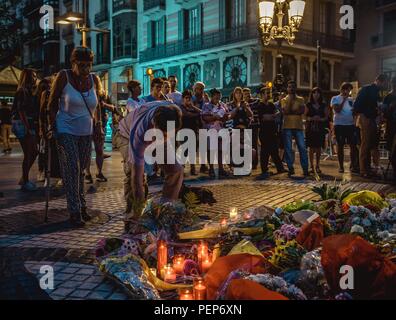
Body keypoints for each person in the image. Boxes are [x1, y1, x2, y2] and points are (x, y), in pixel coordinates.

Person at [48, 47, 102, 227]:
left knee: (82, 171)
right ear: (73, 64)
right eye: (81, 65)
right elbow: (52, 102)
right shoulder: (64, 76)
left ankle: (82, 206)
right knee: (72, 170)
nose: (85, 69)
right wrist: (52, 124)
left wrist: (98, 124)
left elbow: (98, 104)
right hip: (66, 129)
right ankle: (74, 211)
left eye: (89, 65)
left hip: (86, 131)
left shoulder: (94, 79)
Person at [125, 102, 183, 234]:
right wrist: (139, 212)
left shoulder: (174, 112)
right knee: (134, 178)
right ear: (155, 126)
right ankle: (133, 221)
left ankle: (165, 213)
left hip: (155, 133)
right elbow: (136, 180)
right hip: (125, 133)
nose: (167, 138)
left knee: (175, 170)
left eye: (170, 134)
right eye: (164, 134)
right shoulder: (139, 133)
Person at [117, 81, 146, 225]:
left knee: (141, 173)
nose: (141, 88)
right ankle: (130, 210)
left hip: (139, 134)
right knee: (131, 171)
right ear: (132, 89)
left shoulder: (142, 101)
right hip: (126, 135)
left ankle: (140, 207)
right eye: (138, 87)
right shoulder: (128, 102)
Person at [354, 74, 388, 178]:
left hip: (372, 119)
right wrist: (368, 113)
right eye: (384, 82)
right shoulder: (367, 89)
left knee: (371, 144)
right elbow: (357, 106)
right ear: (378, 80)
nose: (384, 85)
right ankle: (363, 170)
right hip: (366, 118)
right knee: (365, 144)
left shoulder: (376, 91)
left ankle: (368, 169)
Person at [11, 68, 39, 191]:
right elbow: (21, 111)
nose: (35, 78)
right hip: (23, 124)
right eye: (33, 75)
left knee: (33, 151)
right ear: (26, 77)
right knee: (29, 152)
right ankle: (25, 181)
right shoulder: (22, 91)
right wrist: (27, 128)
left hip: (27, 123)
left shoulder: (28, 90)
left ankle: (24, 178)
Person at [281, 80, 309, 177]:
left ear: (295, 88)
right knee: (288, 149)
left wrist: (292, 110)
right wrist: (291, 102)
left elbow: (301, 111)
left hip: (298, 127)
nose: (291, 88)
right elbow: (286, 111)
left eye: (293, 87)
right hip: (287, 126)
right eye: (289, 87)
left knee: (302, 148)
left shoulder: (301, 99)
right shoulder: (284, 99)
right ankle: (290, 168)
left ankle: (305, 169)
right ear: (287, 88)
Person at [256, 87, 285, 179]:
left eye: (269, 93)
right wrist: (273, 116)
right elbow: (264, 117)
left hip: (273, 131)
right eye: (267, 93)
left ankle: (280, 168)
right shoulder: (260, 105)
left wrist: (272, 116)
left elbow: (277, 113)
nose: (269, 94)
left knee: (274, 151)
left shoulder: (271, 105)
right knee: (265, 151)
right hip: (264, 131)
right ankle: (264, 170)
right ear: (262, 95)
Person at [331, 83, 359, 174]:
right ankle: (341, 166)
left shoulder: (351, 99)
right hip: (339, 125)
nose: (348, 92)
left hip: (350, 125)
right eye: (346, 89)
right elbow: (337, 110)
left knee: (353, 146)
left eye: (349, 90)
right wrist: (343, 100)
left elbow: (354, 111)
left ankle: (353, 165)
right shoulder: (335, 98)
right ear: (342, 90)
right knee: (340, 145)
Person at [202, 88, 230, 178]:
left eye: (219, 97)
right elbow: (205, 118)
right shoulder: (206, 105)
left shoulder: (222, 105)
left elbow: (226, 116)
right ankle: (211, 169)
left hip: (221, 129)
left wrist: (218, 117)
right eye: (216, 97)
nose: (218, 98)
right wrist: (216, 117)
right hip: (211, 129)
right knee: (211, 149)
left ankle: (221, 169)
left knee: (221, 149)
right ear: (212, 97)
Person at [305, 87, 328, 174]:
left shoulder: (323, 105)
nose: (316, 95)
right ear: (312, 94)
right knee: (311, 147)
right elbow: (304, 116)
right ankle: (311, 166)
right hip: (310, 128)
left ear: (320, 95)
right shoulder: (308, 104)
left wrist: (321, 119)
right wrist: (311, 118)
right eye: (314, 93)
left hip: (320, 128)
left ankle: (317, 165)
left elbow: (326, 117)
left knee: (318, 147)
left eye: (318, 93)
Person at [180, 89, 202, 176]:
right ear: (183, 99)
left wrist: (192, 107)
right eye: (186, 98)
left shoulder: (193, 107)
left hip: (194, 130)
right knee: (185, 151)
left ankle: (193, 169)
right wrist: (197, 114)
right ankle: (181, 169)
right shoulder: (181, 107)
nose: (188, 100)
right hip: (184, 131)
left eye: (189, 98)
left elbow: (201, 112)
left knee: (193, 151)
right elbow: (186, 114)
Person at [36, 78, 51, 182]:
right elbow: (41, 113)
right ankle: (42, 172)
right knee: (43, 151)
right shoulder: (43, 95)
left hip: (47, 126)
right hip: (44, 126)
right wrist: (41, 128)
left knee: (44, 151)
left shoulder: (48, 95)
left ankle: (43, 172)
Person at [383, 77, 396, 181]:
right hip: (391, 127)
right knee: (391, 149)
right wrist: (390, 108)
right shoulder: (388, 97)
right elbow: (384, 113)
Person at [244, 88, 259, 169]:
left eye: (249, 93)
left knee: (254, 144)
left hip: (255, 125)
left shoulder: (256, 101)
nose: (248, 95)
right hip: (246, 126)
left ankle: (254, 163)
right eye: (246, 93)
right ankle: (248, 162)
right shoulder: (243, 103)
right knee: (247, 145)